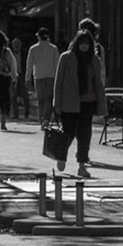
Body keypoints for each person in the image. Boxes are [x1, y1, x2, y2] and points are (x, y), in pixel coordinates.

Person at [50, 29, 105, 177]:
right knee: (68, 133)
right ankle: (62, 156)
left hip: (88, 102)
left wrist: (102, 105)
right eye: (81, 43)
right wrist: (57, 104)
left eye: (87, 43)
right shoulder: (66, 58)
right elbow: (58, 82)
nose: (84, 46)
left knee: (85, 135)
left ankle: (82, 164)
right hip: (69, 103)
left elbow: (98, 83)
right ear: (76, 43)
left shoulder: (94, 60)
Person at [25, 27, 59, 126]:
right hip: (51, 76)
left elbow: (29, 64)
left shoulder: (33, 49)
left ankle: (41, 120)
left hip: (38, 76)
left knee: (40, 100)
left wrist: (27, 78)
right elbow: (57, 64)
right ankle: (46, 118)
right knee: (49, 99)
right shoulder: (53, 48)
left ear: (38, 36)